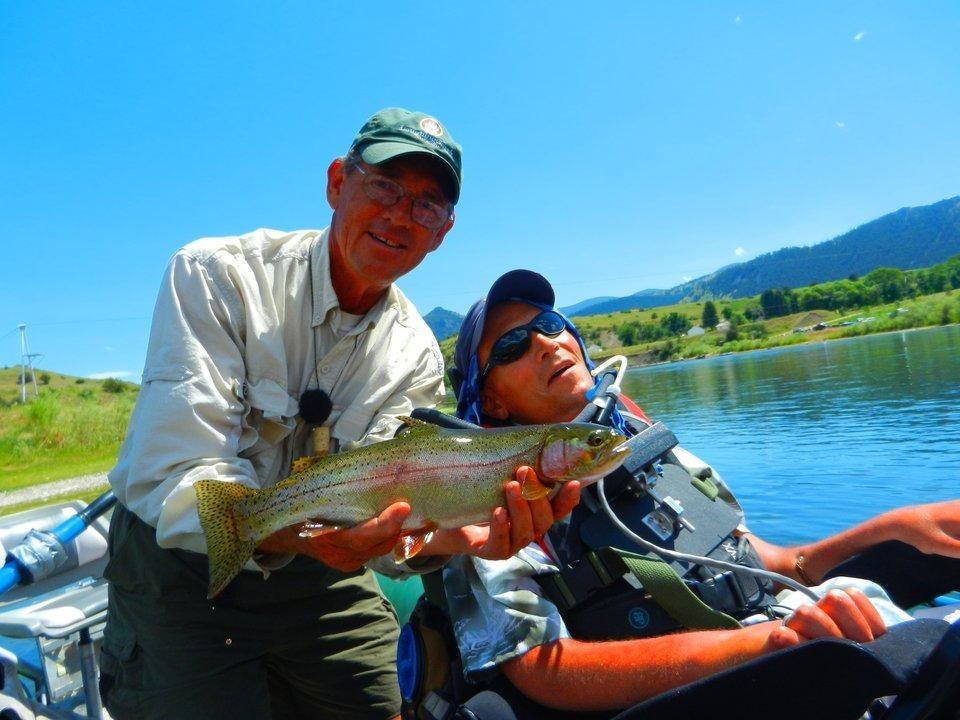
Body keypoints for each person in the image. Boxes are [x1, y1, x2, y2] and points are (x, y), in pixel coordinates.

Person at [100, 112, 576, 720]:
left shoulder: (416, 356)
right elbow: (178, 467)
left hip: (323, 570)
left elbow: (393, 522)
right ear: (336, 183)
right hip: (181, 563)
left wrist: (460, 538)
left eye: (428, 205)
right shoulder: (218, 275)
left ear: (443, 233)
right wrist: (289, 530)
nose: (401, 214)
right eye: (384, 186)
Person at [433, 268, 960, 718]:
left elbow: (768, 565)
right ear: (492, 401)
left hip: (774, 645)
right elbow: (544, 670)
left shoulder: (643, 442)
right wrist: (758, 646)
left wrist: (894, 527)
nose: (545, 343)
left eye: (549, 325)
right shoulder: (482, 494)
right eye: (512, 346)